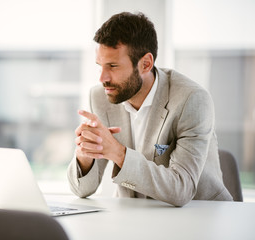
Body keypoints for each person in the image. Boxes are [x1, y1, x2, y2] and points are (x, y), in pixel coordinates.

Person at [67, 12, 233, 207]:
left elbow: (182, 189)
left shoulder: (191, 99)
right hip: (135, 216)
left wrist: (118, 153)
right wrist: (85, 156)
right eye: (100, 66)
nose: (102, 78)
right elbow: (82, 190)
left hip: (201, 215)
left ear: (145, 63)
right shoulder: (101, 97)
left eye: (112, 66)